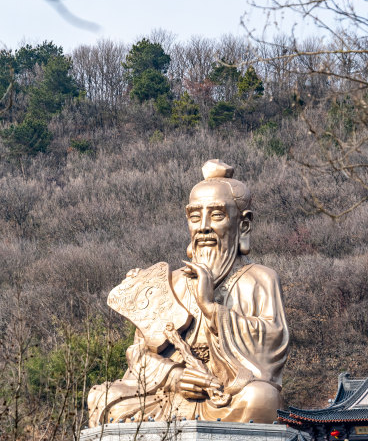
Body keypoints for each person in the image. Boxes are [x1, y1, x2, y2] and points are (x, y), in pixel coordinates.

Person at [88, 160, 289, 426]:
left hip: (223, 396)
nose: (203, 227)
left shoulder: (259, 278)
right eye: (195, 217)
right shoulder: (168, 282)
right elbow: (137, 355)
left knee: (260, 398)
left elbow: (272, 343)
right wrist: (174, 377)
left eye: (216, 215)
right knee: (102, 396)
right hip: (165, 397)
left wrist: (210, 308)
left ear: (243, 226)